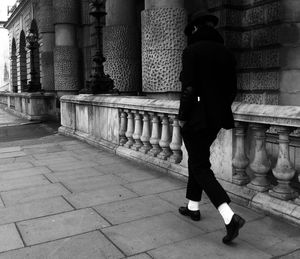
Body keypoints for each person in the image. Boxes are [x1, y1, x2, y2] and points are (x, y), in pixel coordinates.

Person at [178, 10, 245, 244]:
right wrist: (217, 109)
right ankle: (193, 206)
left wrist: (182, 117)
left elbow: (188, 89)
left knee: (200, 165)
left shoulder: (192, 51)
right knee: (197, 160)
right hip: (216, 118)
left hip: (194, 118)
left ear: (195, 29)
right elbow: (232, 90)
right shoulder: (226, 53)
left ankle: (229, 217)